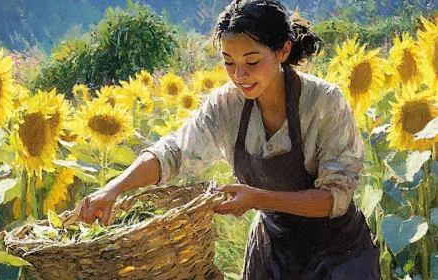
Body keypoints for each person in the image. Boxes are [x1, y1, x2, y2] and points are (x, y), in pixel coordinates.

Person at [73, 0, 380, 279]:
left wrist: (258, 198)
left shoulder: (323, 102)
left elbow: (335, 198)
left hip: (338, 257)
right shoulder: (226, 106)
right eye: (229, 62)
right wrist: (114, 189)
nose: (239, 75)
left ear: (283, 51)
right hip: (273, 254)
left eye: (251, 61)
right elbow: (173, 153)